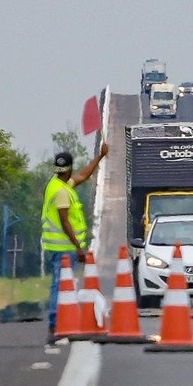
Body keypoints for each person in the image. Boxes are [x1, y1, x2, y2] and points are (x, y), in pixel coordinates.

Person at [44, 142, 108, 341]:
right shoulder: (61, 191)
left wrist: (100, 156)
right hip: (63, 246)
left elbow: (83, 176)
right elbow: (65, 222)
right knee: (60, 284)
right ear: (69, 168)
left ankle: (59, 320)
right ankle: (56, 322)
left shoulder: (59, 184)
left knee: (63, 283)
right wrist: (78, 247)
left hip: (60, 246)